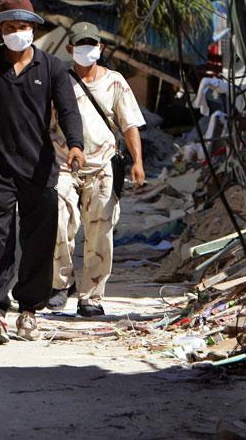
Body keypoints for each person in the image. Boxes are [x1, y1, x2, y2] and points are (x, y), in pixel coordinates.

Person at [0, 0, 85, 344]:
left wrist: (76, 145)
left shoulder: (53, 67)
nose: (18, 33)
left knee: (39, 243)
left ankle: (29, 311)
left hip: (40, 169)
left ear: (33, 29)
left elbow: (69, 110)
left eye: (23, 27)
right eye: (10, 27)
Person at [48, 22, 147, 317]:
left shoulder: (115, 82)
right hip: (62, 163)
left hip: (103, 164)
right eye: (81, 45)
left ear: (101, 48)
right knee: (56, 220)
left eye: (93, 44)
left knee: (100, 231)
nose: (88, 50)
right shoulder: (58, 79)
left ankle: (91, 295)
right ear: (70, 49)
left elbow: (129, 124)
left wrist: (137, 162)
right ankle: (60, 284)